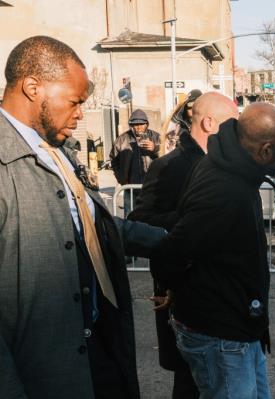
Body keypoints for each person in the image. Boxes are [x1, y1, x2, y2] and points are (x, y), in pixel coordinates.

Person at [0, 35, 166, 399]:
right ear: (32, 88)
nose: (80, 114)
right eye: (74, 102)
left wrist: (175, 242)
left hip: (95, 351)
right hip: (42, 373)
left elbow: (95, 226)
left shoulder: (55, 152)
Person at [150, 103, 275, 399]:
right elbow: (171, 252)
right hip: (221, 334)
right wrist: (174, 287)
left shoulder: (231, 166)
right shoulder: (226, 188)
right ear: (266, 151)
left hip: (239, 327)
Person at [127, 91, 238, 399]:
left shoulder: (222, 164)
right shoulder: (171, 165)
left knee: (216, 378)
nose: (238, 131)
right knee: (191, 381)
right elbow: (142, 221)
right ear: (209, 122)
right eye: (233, 123)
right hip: (185, 293)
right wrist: (193, 218)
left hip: (219, 294)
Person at [110, 108, 161, 216]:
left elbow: (167, 156)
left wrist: (155, 148)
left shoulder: (156, 137)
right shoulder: (122, 139)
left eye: (141, 124)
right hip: (130, 188)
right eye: (135, 124)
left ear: (147, 124)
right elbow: (114, 160)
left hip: (152, 187)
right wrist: (122, 179)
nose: (139, 127)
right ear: (131, 125)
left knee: (153, 217)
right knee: (130, 217)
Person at [162, 89, 203, 155]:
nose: (194, 111)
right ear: (185, 109)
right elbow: (168, 151)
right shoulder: (176, 127)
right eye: (190, 108)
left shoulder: (214, 124)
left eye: (197, 107)